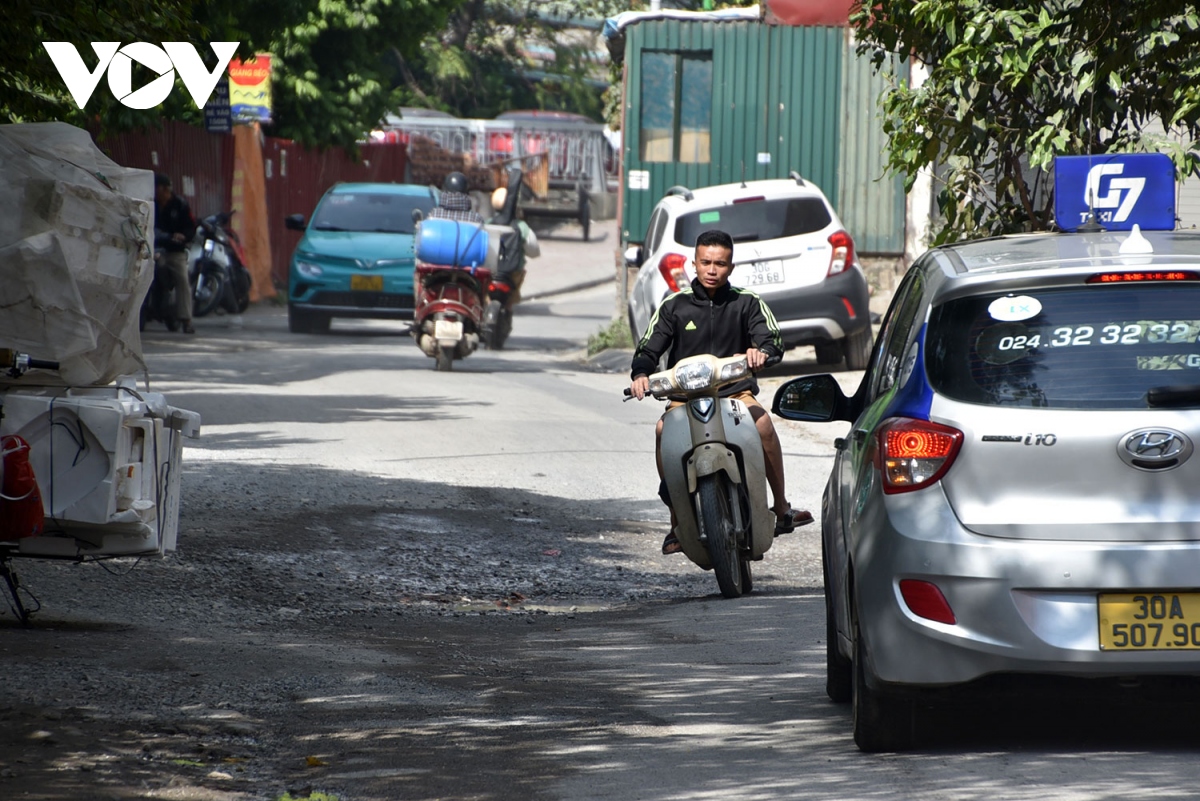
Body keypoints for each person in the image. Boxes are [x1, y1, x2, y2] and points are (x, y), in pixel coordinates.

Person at [628, 229, 812, 554]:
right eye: (706, 262)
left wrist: (761, 353)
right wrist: (641, 373)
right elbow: (648, 346)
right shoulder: (675, 306)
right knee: (661, 430)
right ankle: (677, 523)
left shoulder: (747, 302)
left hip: (735, 394)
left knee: (764, 424)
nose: (712, 270)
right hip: (684, 399)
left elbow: (772, 340)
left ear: (731, 266)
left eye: (720, 263)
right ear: (694, 264)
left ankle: (781, 507)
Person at [153, 172, 196, 333]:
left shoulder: (180, 205)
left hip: (174, 252)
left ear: (165, 189)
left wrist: (183, 236)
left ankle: (186, 319)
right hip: (153, 249)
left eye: (157, 188)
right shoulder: (151, 204)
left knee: (183, 280)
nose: (155, 191)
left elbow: (191, 227)